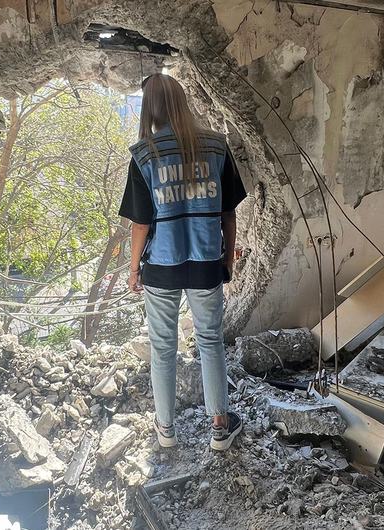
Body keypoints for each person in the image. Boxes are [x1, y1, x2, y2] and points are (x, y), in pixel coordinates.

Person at [118, 73, 247, 451]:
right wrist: (228, 259)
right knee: (210, 342)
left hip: (161, 265)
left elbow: (141, 223)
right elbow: (229, 214)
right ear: (182, 102)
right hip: (206, 261)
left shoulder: (145, 155)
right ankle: (220, 428)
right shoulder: (216, 146)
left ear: (150, 109)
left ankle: (166, 431)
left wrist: (133, 268)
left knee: (162, 347)